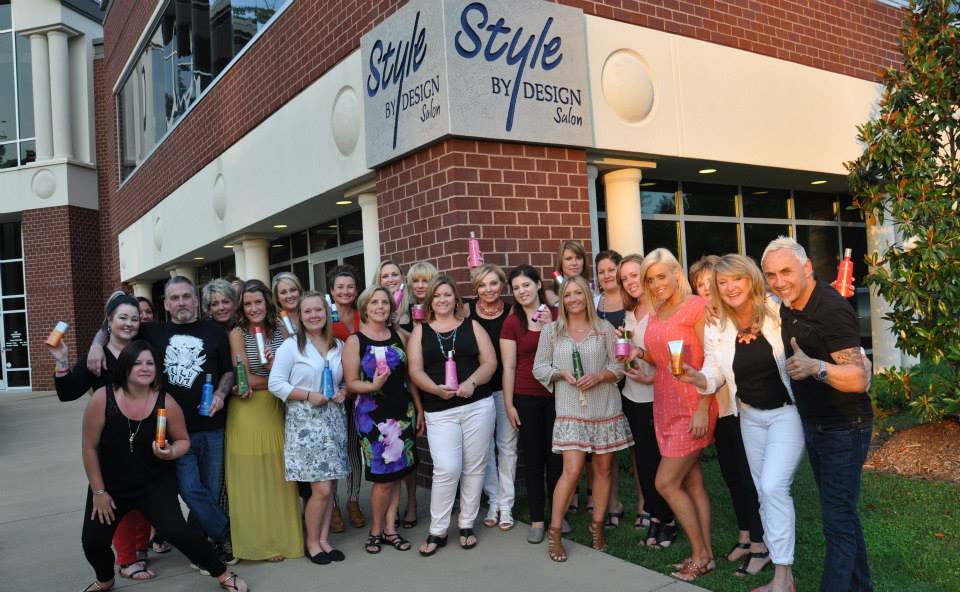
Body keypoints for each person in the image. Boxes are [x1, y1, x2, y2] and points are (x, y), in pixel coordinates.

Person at [87, 277, 237, 565]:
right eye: (174, 298)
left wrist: (220, 392)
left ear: (196, 301)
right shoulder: (153, 331)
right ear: (166, 304)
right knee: (190, 490)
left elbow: (228, 371)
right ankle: (226, 533)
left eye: (186, 296)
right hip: (172, 431)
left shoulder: (214, 330)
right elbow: (113, 325)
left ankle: (202, 549)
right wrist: (96, 345)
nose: (181, 302)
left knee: (209, 491)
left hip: (213, 427)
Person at [79, 340, 248, 592]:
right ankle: (105, 580)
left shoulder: (165, 401)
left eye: (150, 363)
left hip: (153, 484)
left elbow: (183, 441)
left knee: (178, 532)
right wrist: (99, 491)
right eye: (137, 363)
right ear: (125, 367)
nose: (145, 368)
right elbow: (89, 448)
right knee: (93, 541)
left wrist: (171, 452)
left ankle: (223, 574)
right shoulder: (103, 398)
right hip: (111, 486)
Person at [678, 254, 803, 592]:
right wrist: (696, 377)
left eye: (737, 279)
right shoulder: (718, 324)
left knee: (773, 487)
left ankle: (783, 577)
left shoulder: (776, 311)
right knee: (764, 492)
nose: (730, 287)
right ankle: (782, 575)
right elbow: (713, 372)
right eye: (723, 282)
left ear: (751, 279)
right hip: (749, 417)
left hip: (785, 413)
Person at [761, 237, 872, 592]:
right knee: (843, 516)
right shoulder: (788, 304)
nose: (779, 282)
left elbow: (859, 379)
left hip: (844, 426)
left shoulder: (831, 309)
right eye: (771, 275)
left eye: (786, 272)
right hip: (816, 424)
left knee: (837, 522)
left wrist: (816, 368)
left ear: (807, 268)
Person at [50, 293, 158, 580]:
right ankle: (126, 559)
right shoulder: (96, 357)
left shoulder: (143, 351)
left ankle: (140, 548)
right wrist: (62, 361)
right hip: (111, 444)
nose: (129, 323)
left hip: (143, 437)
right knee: (117, 502)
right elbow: (67, 392)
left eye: (134, 318)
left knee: (143, 499)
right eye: (122, 317)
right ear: (109, 321)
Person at [532, 275, 633, 562]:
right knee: (572, 470)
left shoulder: (604, 329)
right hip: (570, 409)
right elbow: (539, 367)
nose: (573, 299)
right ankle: (555, 532)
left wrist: (600, 376)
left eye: (578, 293)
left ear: (587, 296)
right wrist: (559, 374)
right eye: (567, 294)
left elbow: (619, 366)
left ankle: (597, 526)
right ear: (561, 300)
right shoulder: (551, 331)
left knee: (603, 470)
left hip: (604, 408)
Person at [634, 248, 717, 582]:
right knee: (692, 482)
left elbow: (712, 360)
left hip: (693, 406)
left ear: (676, 273)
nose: (656, 285)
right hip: (665, 405)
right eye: (650, 280)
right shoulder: (657, 311)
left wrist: (702, 408)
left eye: (661, 276)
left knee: (665, 482)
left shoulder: (696, 307)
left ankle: (700, 556)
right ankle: (706, 554)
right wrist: (637, 355)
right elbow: (661, 359)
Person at [689, 255, 768, 576]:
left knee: (750, 477)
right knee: (733, 475)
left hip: (744, 408)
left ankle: (761, 543)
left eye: (713, 283)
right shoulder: (708, 319)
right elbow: (710, 367)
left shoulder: (742, 314)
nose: (708, 289)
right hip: (721, 408)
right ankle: (746, 535)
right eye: (701, 285)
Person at [407, 275, 498, 556]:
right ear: (429, 301)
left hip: (477, 405)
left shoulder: (472, 326)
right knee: (447, 468)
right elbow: (415, 371)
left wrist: (472, 383)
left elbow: (490, 362)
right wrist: (434, 389)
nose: (442, 300)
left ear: (456, 298)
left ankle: (467, 523)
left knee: (475, 466)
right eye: (437, 295)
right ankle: (438, 529)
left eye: (447, 294)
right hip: (439, 410)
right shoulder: (420, 332)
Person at [268, 292, 351, 565]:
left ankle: (324, 540)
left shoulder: (338, 345)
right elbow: (275, 383)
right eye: (308, 311)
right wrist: (307, 395)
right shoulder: (291, 346)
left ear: (327, 313)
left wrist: (343, 391)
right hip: (306, 424)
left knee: (331, 486)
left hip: (334, 420)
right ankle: (312, 543)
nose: (314, 315)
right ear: (300, 317)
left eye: (319, 310)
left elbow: (346, 380)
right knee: (321, 490)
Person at [342, 285, 424, 554]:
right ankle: (376, 530)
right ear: (365, 307)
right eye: (374, 302)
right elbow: (351, 383)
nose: (380, 307)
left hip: (402, 412)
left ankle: (391, 529)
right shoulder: (355, 341)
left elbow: (410, 376)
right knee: (382, 477)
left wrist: (419, 408)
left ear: (391, 307)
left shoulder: (400, 335)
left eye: (385, 302)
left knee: (397, 471)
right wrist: (373, 385)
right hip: (372, 415)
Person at [226, 280, 303, 561]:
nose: (253, 308)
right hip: (249, 411)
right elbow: (244, 378)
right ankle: (257, 543)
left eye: (258, 302)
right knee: (251, 477)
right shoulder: (238, 333)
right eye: (247, 304)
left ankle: (281, 538)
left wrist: (276, 376)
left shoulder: (282, 329)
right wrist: (278, 379)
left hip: (279, 408)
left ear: (267, 302)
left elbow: (298, 367)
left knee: (279, 474)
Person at [615, 254, 678, 549]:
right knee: (644, 460)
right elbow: (631, 351)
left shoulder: (662, 309)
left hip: (658, 394)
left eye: (634, 275)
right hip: (633, 394)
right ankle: (655, 515)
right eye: (624, 278)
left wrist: (651, 376)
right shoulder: (631, 311)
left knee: (660, 461)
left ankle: (668, 519)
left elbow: (672, 355)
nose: (630, 281)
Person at [501, 265, 563, 544]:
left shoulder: (557, 315)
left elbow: (567, 352)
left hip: (558, 395)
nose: (522, 291)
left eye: (526, 285)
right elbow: (509, 366)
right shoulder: (512, 323)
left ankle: (559, 516)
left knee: (557, 458)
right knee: (534, 458)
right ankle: (538, 519)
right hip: (525, 396)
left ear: (538, 284)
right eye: (516, 288)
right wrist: (509, 404)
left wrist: (551, 325)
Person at [466, 263, 517, 531]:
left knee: (507, 446)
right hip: (479, 391)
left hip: (507, 388)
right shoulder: (466, 311)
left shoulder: (512, 311)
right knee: (484, 448)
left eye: (494, 283)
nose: (488, 289)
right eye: (482, 285)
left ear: (502, 285)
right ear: (476, 288)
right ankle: (493, 499)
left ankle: (507, 504)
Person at [375, 259, 421, 529]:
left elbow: (416, 343)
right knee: (390, 454)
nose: (391, 279)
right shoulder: (377, 306)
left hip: (412, 385)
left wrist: (397, 327)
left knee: (408, 452)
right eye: (385, 276)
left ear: (402, 278)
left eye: (395, 274)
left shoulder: (412, 307)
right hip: (384, 393)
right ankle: (389, 514)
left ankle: (412, 503)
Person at [328, 265, 366, 530]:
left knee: (353, 449)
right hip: (332, 393)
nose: (345, 291)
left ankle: (353, 500)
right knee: (332, 450)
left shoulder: (364, 314)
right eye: (339, 287)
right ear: (331, 290)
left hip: (359, 392)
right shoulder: (324, 316)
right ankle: (332, 506)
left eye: (350, 286)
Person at [592, 250, 627, 528]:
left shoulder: (632, 300)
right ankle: (613, 501)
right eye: (601, 271)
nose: (606, 275)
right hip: (605, 381)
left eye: (611, 270)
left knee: (639, 446)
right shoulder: (595, 303)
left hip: (634, 378)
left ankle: (645, 505)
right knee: (608, 445)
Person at [544, 239, 590, 308]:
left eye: (578, 258)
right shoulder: (550, 294)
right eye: (569, 259)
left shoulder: (592, 290)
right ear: (560, 263)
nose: (574, 263)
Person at [398, 261, 439, 333]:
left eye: (425, 281)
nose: (420, 286)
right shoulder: (407, 312)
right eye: (416, 281)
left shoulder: (441, 308)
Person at [272, 272, 303, 339]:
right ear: (277, 298)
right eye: (283, 292)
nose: (289, 296)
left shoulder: (311, 316)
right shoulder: (273, 325)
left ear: (299, 292)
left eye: (293, 290)